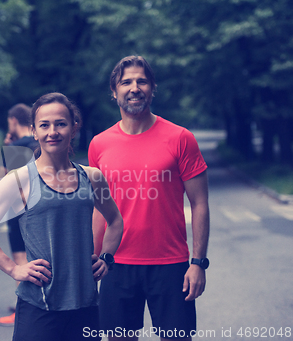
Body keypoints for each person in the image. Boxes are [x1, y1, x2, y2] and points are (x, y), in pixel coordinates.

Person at [0, 92, 123, 341]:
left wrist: (106, 258)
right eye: (45, 125)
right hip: (39, 305)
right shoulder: (19, 180)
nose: (53, 131)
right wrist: (13, 269)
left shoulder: (92, 177)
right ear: (34, 131)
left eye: (61, 123)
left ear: (74, 128)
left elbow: (115, 221)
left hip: (86, 304)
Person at [88, 55, 210, 341]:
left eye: (141, 81)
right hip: (115, 264)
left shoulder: (181, 138)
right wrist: (91, 262)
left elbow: (200, 204)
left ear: (152, 88)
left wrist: (198, 263)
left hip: (171, 266)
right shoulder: (99, 144)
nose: (134, 87)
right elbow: (98, 210)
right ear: (114, 91)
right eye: (126, 82)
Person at [0, 103, 39, 327]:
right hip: (40, 206)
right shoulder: (38, 143)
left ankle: (23, 312)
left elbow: (4, 179)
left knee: (21, 262)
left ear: (13, 120)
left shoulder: (15, 148)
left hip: (19, 211)